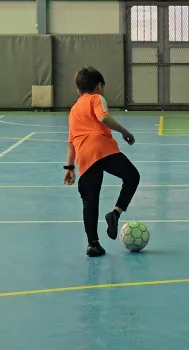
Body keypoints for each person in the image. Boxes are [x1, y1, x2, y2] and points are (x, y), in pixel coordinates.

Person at [63, 66, 140, 258]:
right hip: (102, 148)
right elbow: (103, 117)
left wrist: (70, 167)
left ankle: (93, 245)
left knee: (90, 201)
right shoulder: (97, 98)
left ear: (78, 90)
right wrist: (124, 131)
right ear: (99, 86)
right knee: (132, 177)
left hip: (85, 156)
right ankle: (115, 212)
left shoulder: (73, 110)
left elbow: (71, 142)